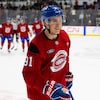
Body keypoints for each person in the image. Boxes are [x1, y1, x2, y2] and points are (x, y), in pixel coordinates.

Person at [22, 5, 74, 100]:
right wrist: (47, 88)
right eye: (54, 21)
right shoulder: (36, 44)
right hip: (41, 94)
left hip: (59, 90)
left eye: (60, 20)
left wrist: (67, 75)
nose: (58, 25)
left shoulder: (64, 37)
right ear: (45, 22)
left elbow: (65, 59)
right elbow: (29, 74)